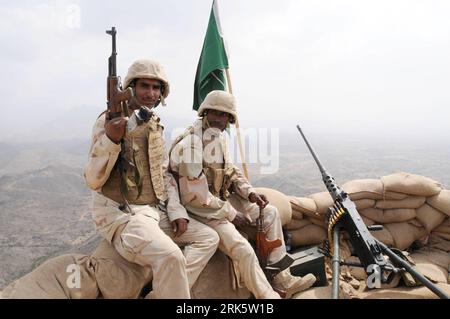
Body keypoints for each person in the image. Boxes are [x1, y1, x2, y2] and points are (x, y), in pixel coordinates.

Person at [84, 59, 219, 299]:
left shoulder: (153, 123)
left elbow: (163, 172)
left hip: (151, 209)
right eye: (144, 86)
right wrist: (111, 140)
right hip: (121, 214)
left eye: (156, 88)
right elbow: (93, 179)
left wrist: (176, 211)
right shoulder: (107, 122)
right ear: (130, 88)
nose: (151, 93)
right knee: (171, 256)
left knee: (209, 238)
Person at [169, 90, 316, 299]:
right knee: (243, 249)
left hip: (220, 202)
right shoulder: (191, 145)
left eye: (226, 116)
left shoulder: (218, 138)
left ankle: (283, 280)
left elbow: (231, 171)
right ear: (206, 112)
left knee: (270, 213)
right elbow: (197, 196)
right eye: (216, 114)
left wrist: (250, 193)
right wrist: (231, 214)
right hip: (199, 211)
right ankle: (268, 296)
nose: (221, 120)